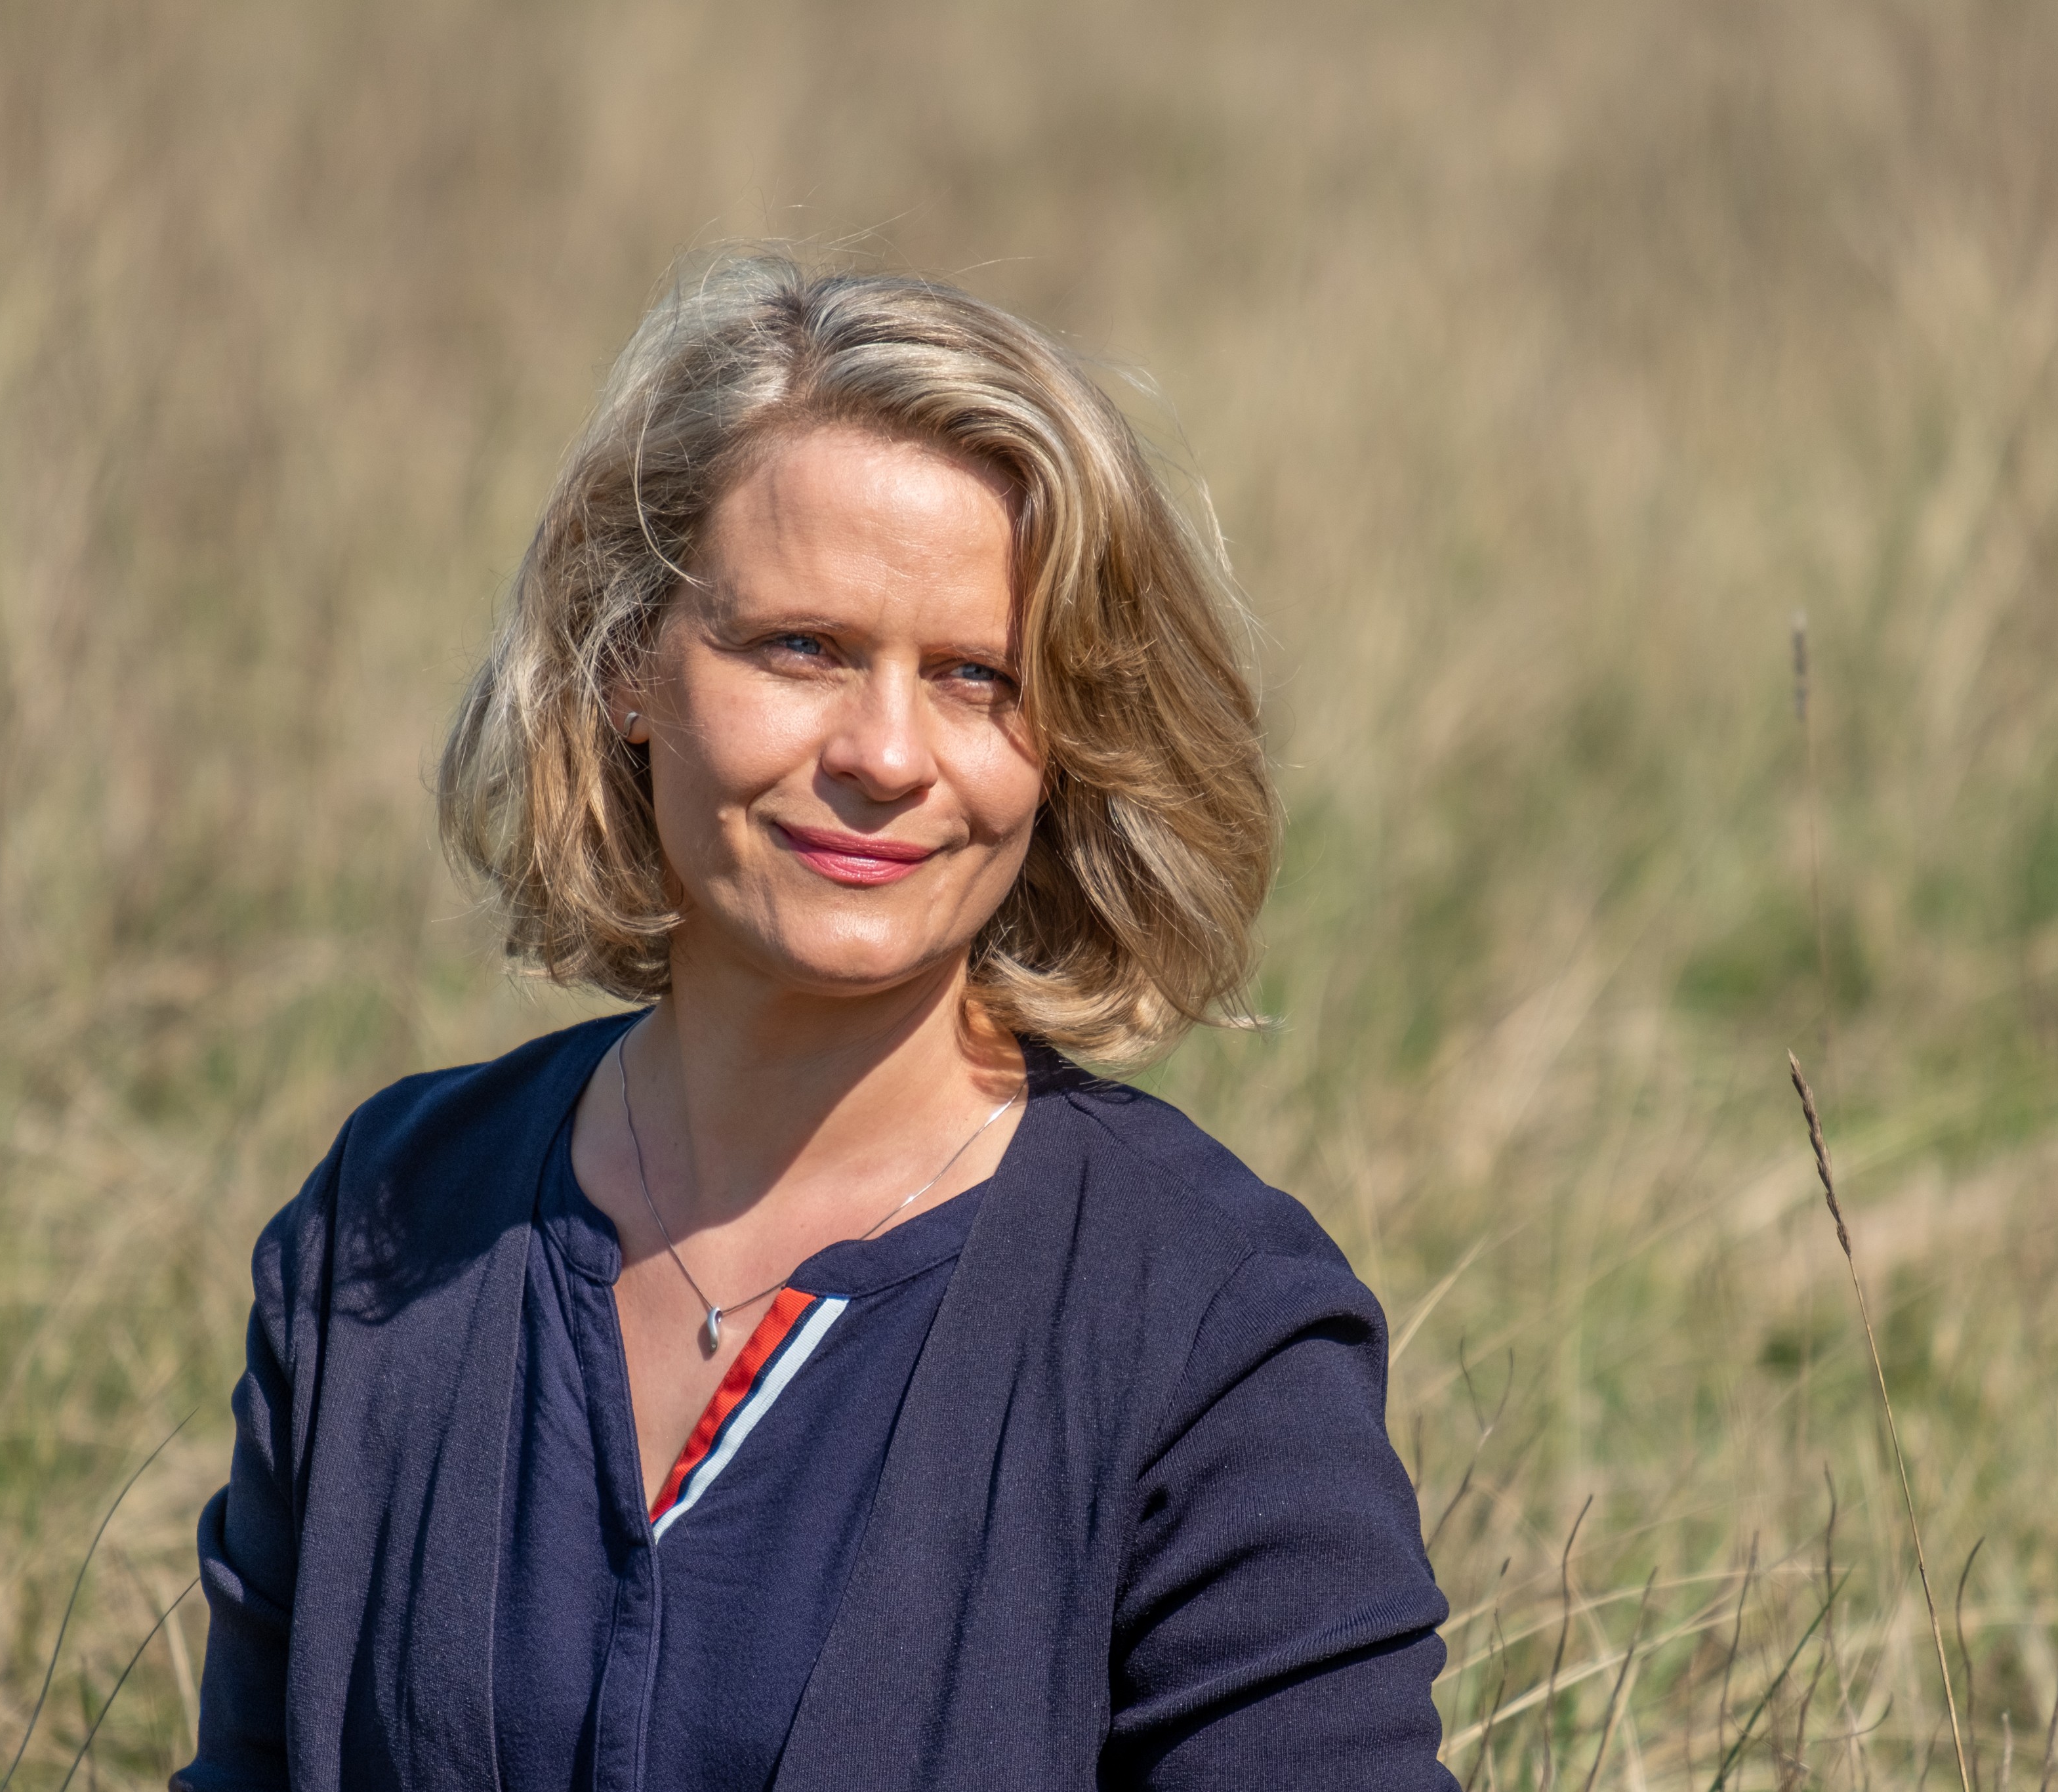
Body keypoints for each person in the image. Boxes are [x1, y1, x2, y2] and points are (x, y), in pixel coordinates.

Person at [175, 254, 1456, 1791]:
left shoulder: (1207, 1324)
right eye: (803, 648)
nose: (887, 753)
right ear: (628, 661)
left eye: (979, 677)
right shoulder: (383, 1234)